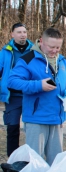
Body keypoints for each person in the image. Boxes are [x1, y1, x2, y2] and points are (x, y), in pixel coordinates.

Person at [8, 27, 66, 165]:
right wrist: (38, 85)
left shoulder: (62, 60)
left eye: (58, 47)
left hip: (57, 118)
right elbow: (12, 81)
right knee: (36, 162)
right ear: (41, 42)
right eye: (51, 47)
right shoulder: (28, 58)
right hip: (37, 118)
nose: (54, 51)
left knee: (56, 162)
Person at [0, 23, 34, 157]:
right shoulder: (6, 51)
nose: (23, 35)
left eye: (24, 32)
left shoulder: (34, 51)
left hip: (30, 95)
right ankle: (12, 163)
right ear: (12, 35)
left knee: (32, 130)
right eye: (19, 32)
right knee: (12, 130)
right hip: (12, 97)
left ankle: (30, 161)